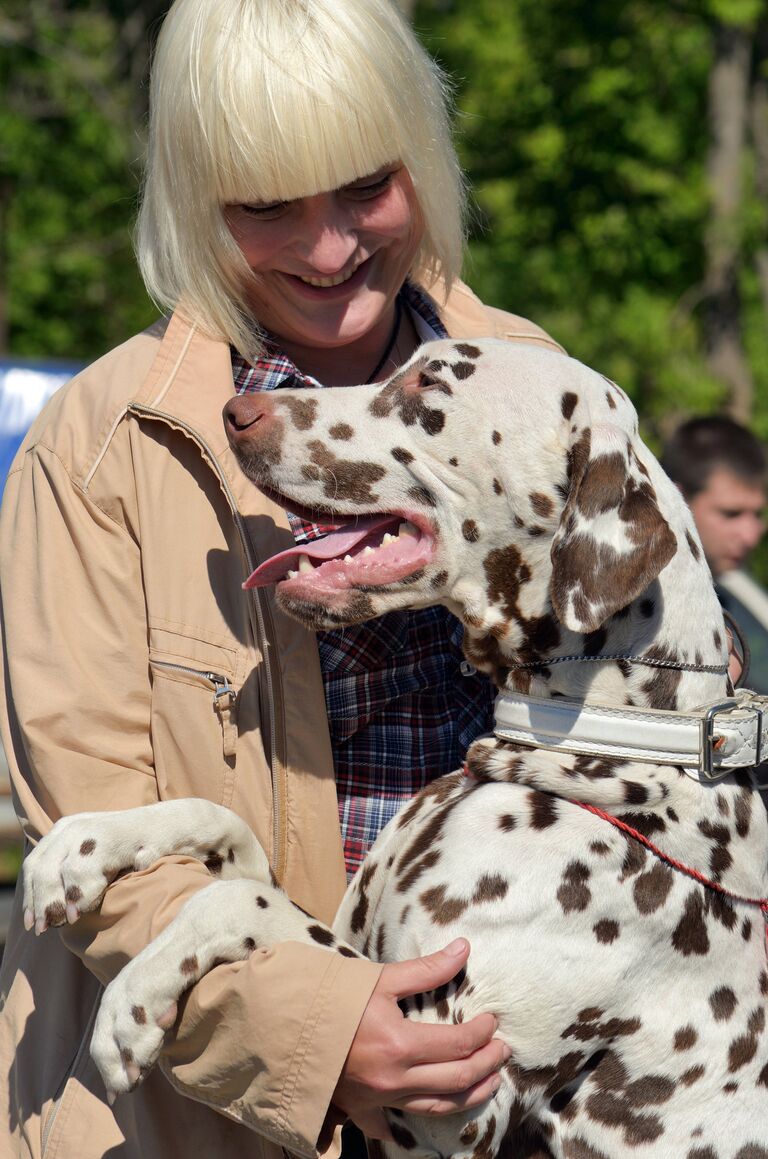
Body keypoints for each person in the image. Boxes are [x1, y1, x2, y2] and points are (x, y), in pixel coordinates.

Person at [0, 1, 565, 1156]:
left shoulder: (546, 392)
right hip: (183, 1120)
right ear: (193, 198)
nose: (328, 246)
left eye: (366, 186)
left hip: (516, 1090)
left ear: (423, 156)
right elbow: (91, 826)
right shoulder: (100, 444)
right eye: (266, 205)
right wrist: (323, 1033)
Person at [661, 415, 768, 691]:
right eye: (731, 514)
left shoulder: (729, 590)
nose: (751, 534)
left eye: (757, 513)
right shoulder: (640, 603)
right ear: (677, 498)